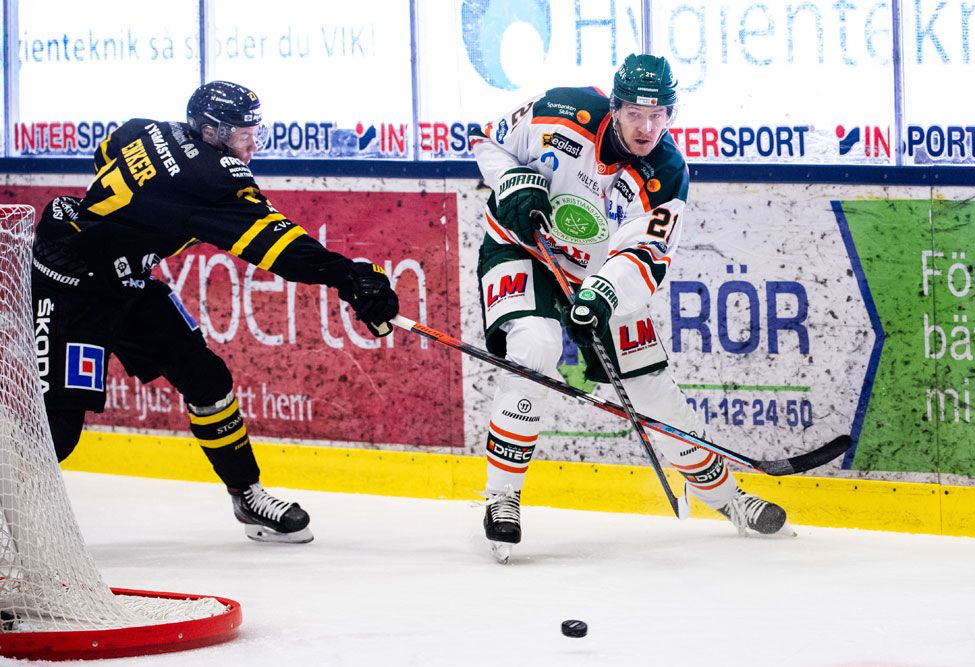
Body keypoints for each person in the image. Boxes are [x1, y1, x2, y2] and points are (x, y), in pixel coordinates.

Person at [31, 81, 399, 544]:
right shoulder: (212, 179)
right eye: (244, 135)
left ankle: (247, 496)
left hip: (125, 280)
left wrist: (137, 221)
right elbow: (279, 246)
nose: (253, 145)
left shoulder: (147, 129)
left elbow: (107, 152)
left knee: (207, 378)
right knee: (57, 430)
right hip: (70, 288)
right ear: (211, 131)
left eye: (255, 132)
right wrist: (350, 277)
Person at [469, 54, 789, 561]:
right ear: (614, 108)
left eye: (659, 115)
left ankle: (730, 499)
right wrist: (512, 181)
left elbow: (645, 255)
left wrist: (600, 293)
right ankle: (502, 497)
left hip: (601, 277)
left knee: (652, 390)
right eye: (636, 115)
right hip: (524, 249)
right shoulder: (560, 109)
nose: (647, 128)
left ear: (672, 114)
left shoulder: (667, 173)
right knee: (534, 347)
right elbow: (487, 139)